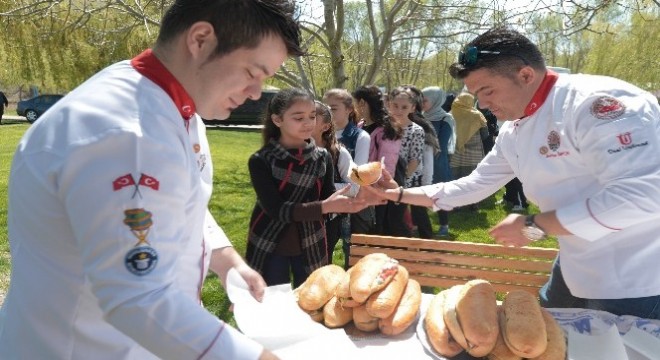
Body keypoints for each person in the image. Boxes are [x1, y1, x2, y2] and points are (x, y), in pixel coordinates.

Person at [1, 1, 304, 359]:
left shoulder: (168, 105)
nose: (257, 92)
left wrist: (224, 258)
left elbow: (171, 201)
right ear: (201, 39)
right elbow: (138, 300)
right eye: (253, 72)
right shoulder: (128, 134)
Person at [363, 26, 660, 320]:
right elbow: (475, 184)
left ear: (526, 75)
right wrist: (399, 193)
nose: (482, 104)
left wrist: (534, 226)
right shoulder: (513, 129)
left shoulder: (596, 103)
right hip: (574, 266)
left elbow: (642, 197)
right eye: (476, 93)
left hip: (636, 280)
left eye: (487, 90)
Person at [245, 89, 367, 288]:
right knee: (275, 302)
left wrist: (350, 202)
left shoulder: (322, 157)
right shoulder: (262, 160)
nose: (308, 122)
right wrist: (325, 207)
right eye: (298, 117)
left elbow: (327, 197)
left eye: (312, 116)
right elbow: (277, 209)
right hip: (271, 241)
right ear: (277, 120)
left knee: (311, 299)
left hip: (312, 240)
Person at [323, 89, 375, 259]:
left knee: (352, 255)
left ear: (349, 109)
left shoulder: (360, 136)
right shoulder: (318, 135)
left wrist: (322, 189)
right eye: (325, 108)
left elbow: (357, 178)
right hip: (327, 207)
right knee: (322, 255)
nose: (328, 112)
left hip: (353, 206)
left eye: (333, 108)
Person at [311, 100, 357, 268]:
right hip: (299, 216)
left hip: (329, 221)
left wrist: (324, 187)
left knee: (322, 265)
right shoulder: (293, 149)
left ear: (325, 126)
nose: (306, 121)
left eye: (313, 116)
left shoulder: (340, 153)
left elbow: (356, 187)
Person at [422, 86, 456, 236]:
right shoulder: (421, 117)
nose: (422, 103)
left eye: (425, 100)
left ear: (436, 100)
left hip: (437, 163)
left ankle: (444, 226)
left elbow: (441, 144)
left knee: (439, 195)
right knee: (420, 193)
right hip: (421, 161)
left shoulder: (445, 119)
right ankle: (421, 224)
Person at [449, 92, 487, 211]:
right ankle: (473, 205)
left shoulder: (450, 114)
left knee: (456, 179)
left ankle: (456, 205)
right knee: (472, 179)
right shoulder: (477, 115)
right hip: (473, 153)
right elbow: (485, 135)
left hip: (456, 152)